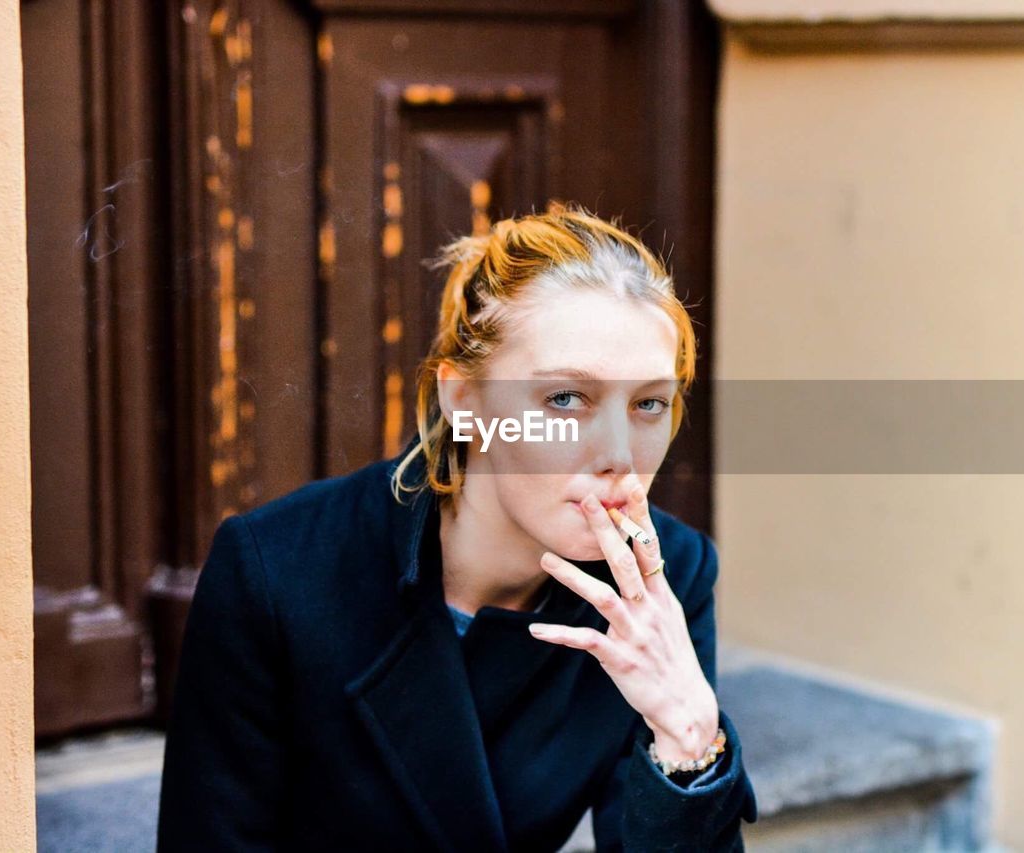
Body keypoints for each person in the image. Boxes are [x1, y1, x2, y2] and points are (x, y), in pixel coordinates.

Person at [156, 204, 759, 851]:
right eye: (565, 398)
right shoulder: (277, 573)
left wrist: (689, 744)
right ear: (463, 402)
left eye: (648, 404)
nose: (620, 450)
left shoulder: (666, 578)